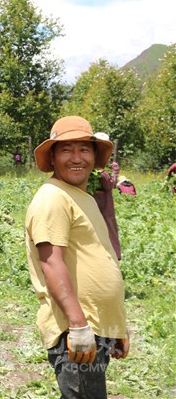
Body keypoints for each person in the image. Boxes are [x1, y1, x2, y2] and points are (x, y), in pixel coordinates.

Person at [25, 116, 129, 398]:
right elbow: (51, 262)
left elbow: (96, 259)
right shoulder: (53, 198)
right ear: (52, 157)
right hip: (76, 330)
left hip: (94, 327)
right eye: (66, 149)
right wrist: (79, 325)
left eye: (84, 149)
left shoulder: (82, 198)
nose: (76, 158)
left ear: (94, 156)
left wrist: (115, 326)